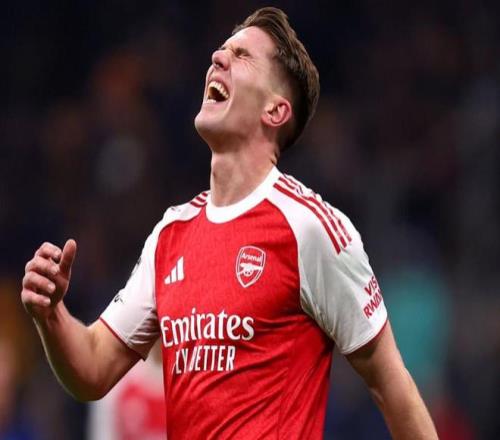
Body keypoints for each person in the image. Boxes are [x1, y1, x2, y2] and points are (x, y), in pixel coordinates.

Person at [21, 7, 438, 439]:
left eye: (242, 56)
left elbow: (393, 387)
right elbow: (92, 369)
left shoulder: (309, 228)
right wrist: (51, 316)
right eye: (222, 50)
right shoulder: (170, 235)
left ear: (275, 110)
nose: (217, 58)